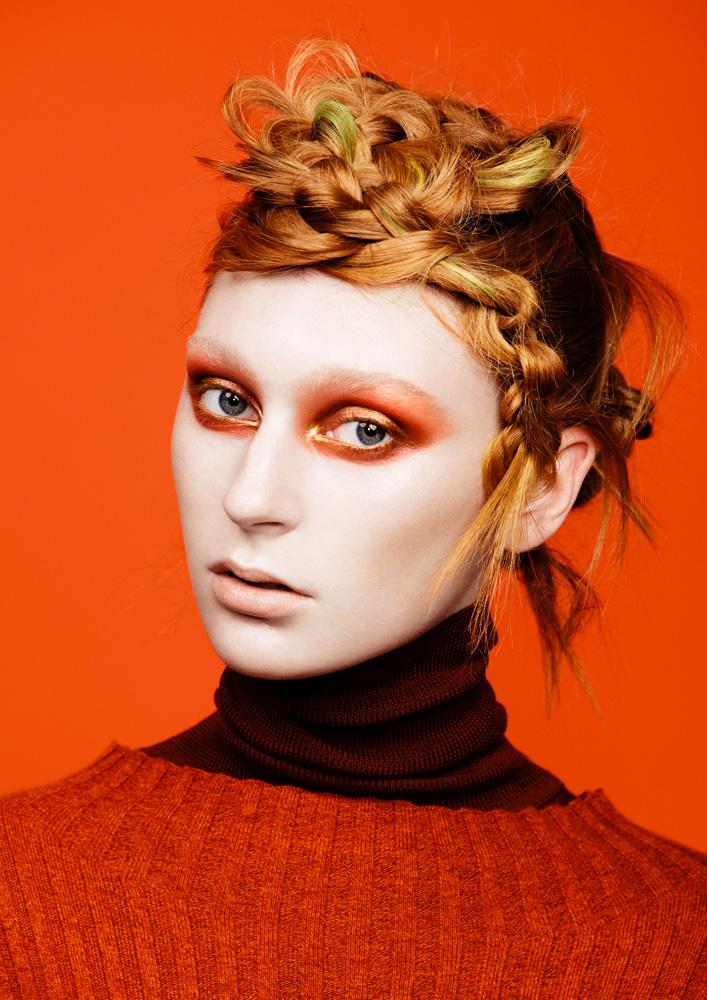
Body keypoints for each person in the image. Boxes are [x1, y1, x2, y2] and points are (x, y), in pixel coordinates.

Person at [1, 38, 704, 999]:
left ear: (541, 487)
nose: (250, 498)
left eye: (365, 430)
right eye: (227, 401)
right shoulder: (23, 893)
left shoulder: (674, 945)